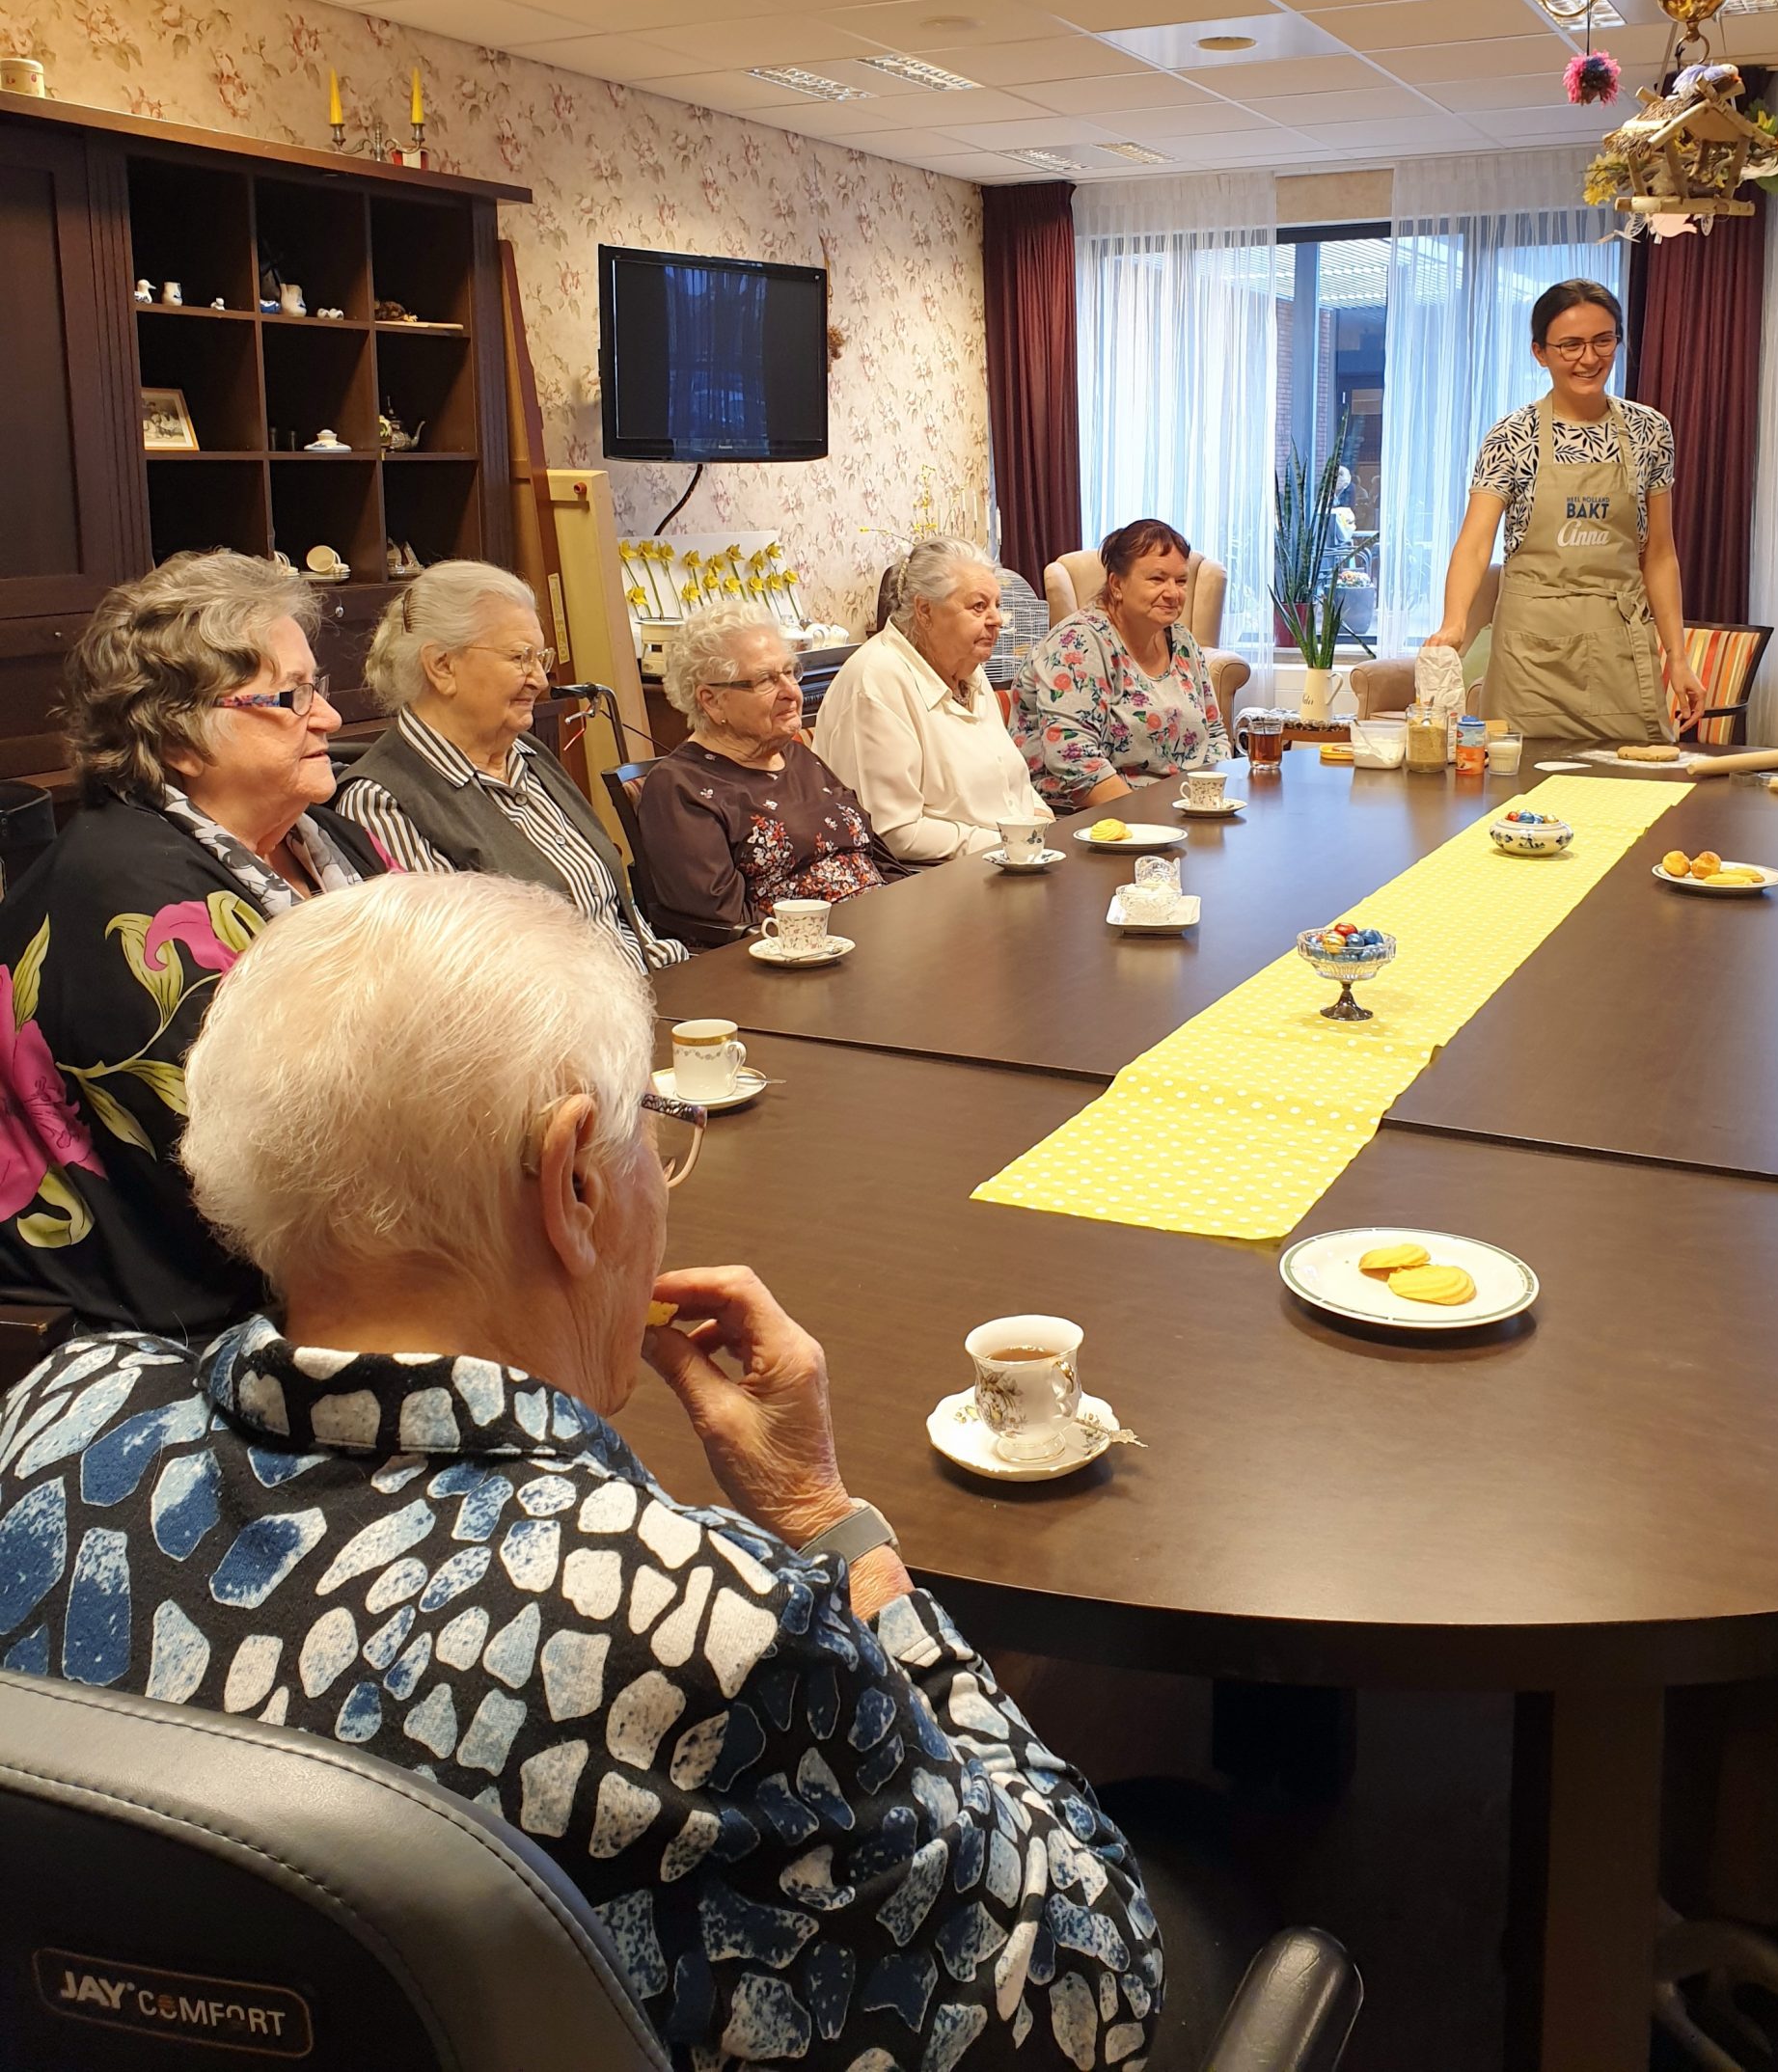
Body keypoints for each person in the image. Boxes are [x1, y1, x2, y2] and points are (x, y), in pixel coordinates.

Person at [0, 871, 1164, 2072]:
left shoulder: (48, 1420)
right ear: (573, 1180)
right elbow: (1098, 1987)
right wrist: (829, 1524)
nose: (659, 1175)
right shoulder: (697, 1620)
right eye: (651, 1136)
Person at [0, 552, 383, 1336]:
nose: (330, 718)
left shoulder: (324, 837)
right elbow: (262, 1171)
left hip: (349, 1258)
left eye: (318, 687)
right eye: (290, 696)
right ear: (175, 731)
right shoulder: (127, 900)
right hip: (187, 1323)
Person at [336, 560, 686, 975]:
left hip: (646, 999)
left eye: (541, 658)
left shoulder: (529, 755)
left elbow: (617, 923)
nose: (539, 679)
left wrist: (688, 979)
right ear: (442, 666)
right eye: (521, 657)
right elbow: (457, 974)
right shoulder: (382, 801)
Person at [1424, 279, 1705, 745]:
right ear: (1540, 352)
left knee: (1632, 792)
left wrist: (1678, 657)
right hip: (1529, 660)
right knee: (1517, 800)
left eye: (1603, 340)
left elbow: (1658, 554)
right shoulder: (1513, 435)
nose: (1589, 358)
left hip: (1620, 650)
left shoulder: (1649, 430)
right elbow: (1475, 544)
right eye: (1570, 345)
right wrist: (1454, 623)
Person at [637, 608, 907, 946]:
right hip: (800, 961)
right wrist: (831, 944)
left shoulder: (797, 756)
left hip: (881, 934)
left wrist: (912, 909)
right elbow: (721, 919)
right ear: (711, 701)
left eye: (790, 673)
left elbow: (877, 855)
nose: (791, 692)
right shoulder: (680, 788)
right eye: (765, 680)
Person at [810, 537, 1049, 860]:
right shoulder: (877, 679)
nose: (997, 620)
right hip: (932, 882)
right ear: (925, 611)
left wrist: (1040, 820)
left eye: (997, 605)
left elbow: (1009, 784)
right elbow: (892, 832)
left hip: (1013, 858)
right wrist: (1007, 843)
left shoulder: (968, 671)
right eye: (979, 606)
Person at [1010, 521, 1231, 813]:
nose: (1172, 592)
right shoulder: (1077, 643)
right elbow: (1074, 757)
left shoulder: (1183, 641)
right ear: (1116, 584)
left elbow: (1215, 734)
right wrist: (1148, 823)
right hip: (1095, 821)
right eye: (1157, 578)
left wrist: (1206, 807)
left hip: (1182, 812)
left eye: (1180, 581)